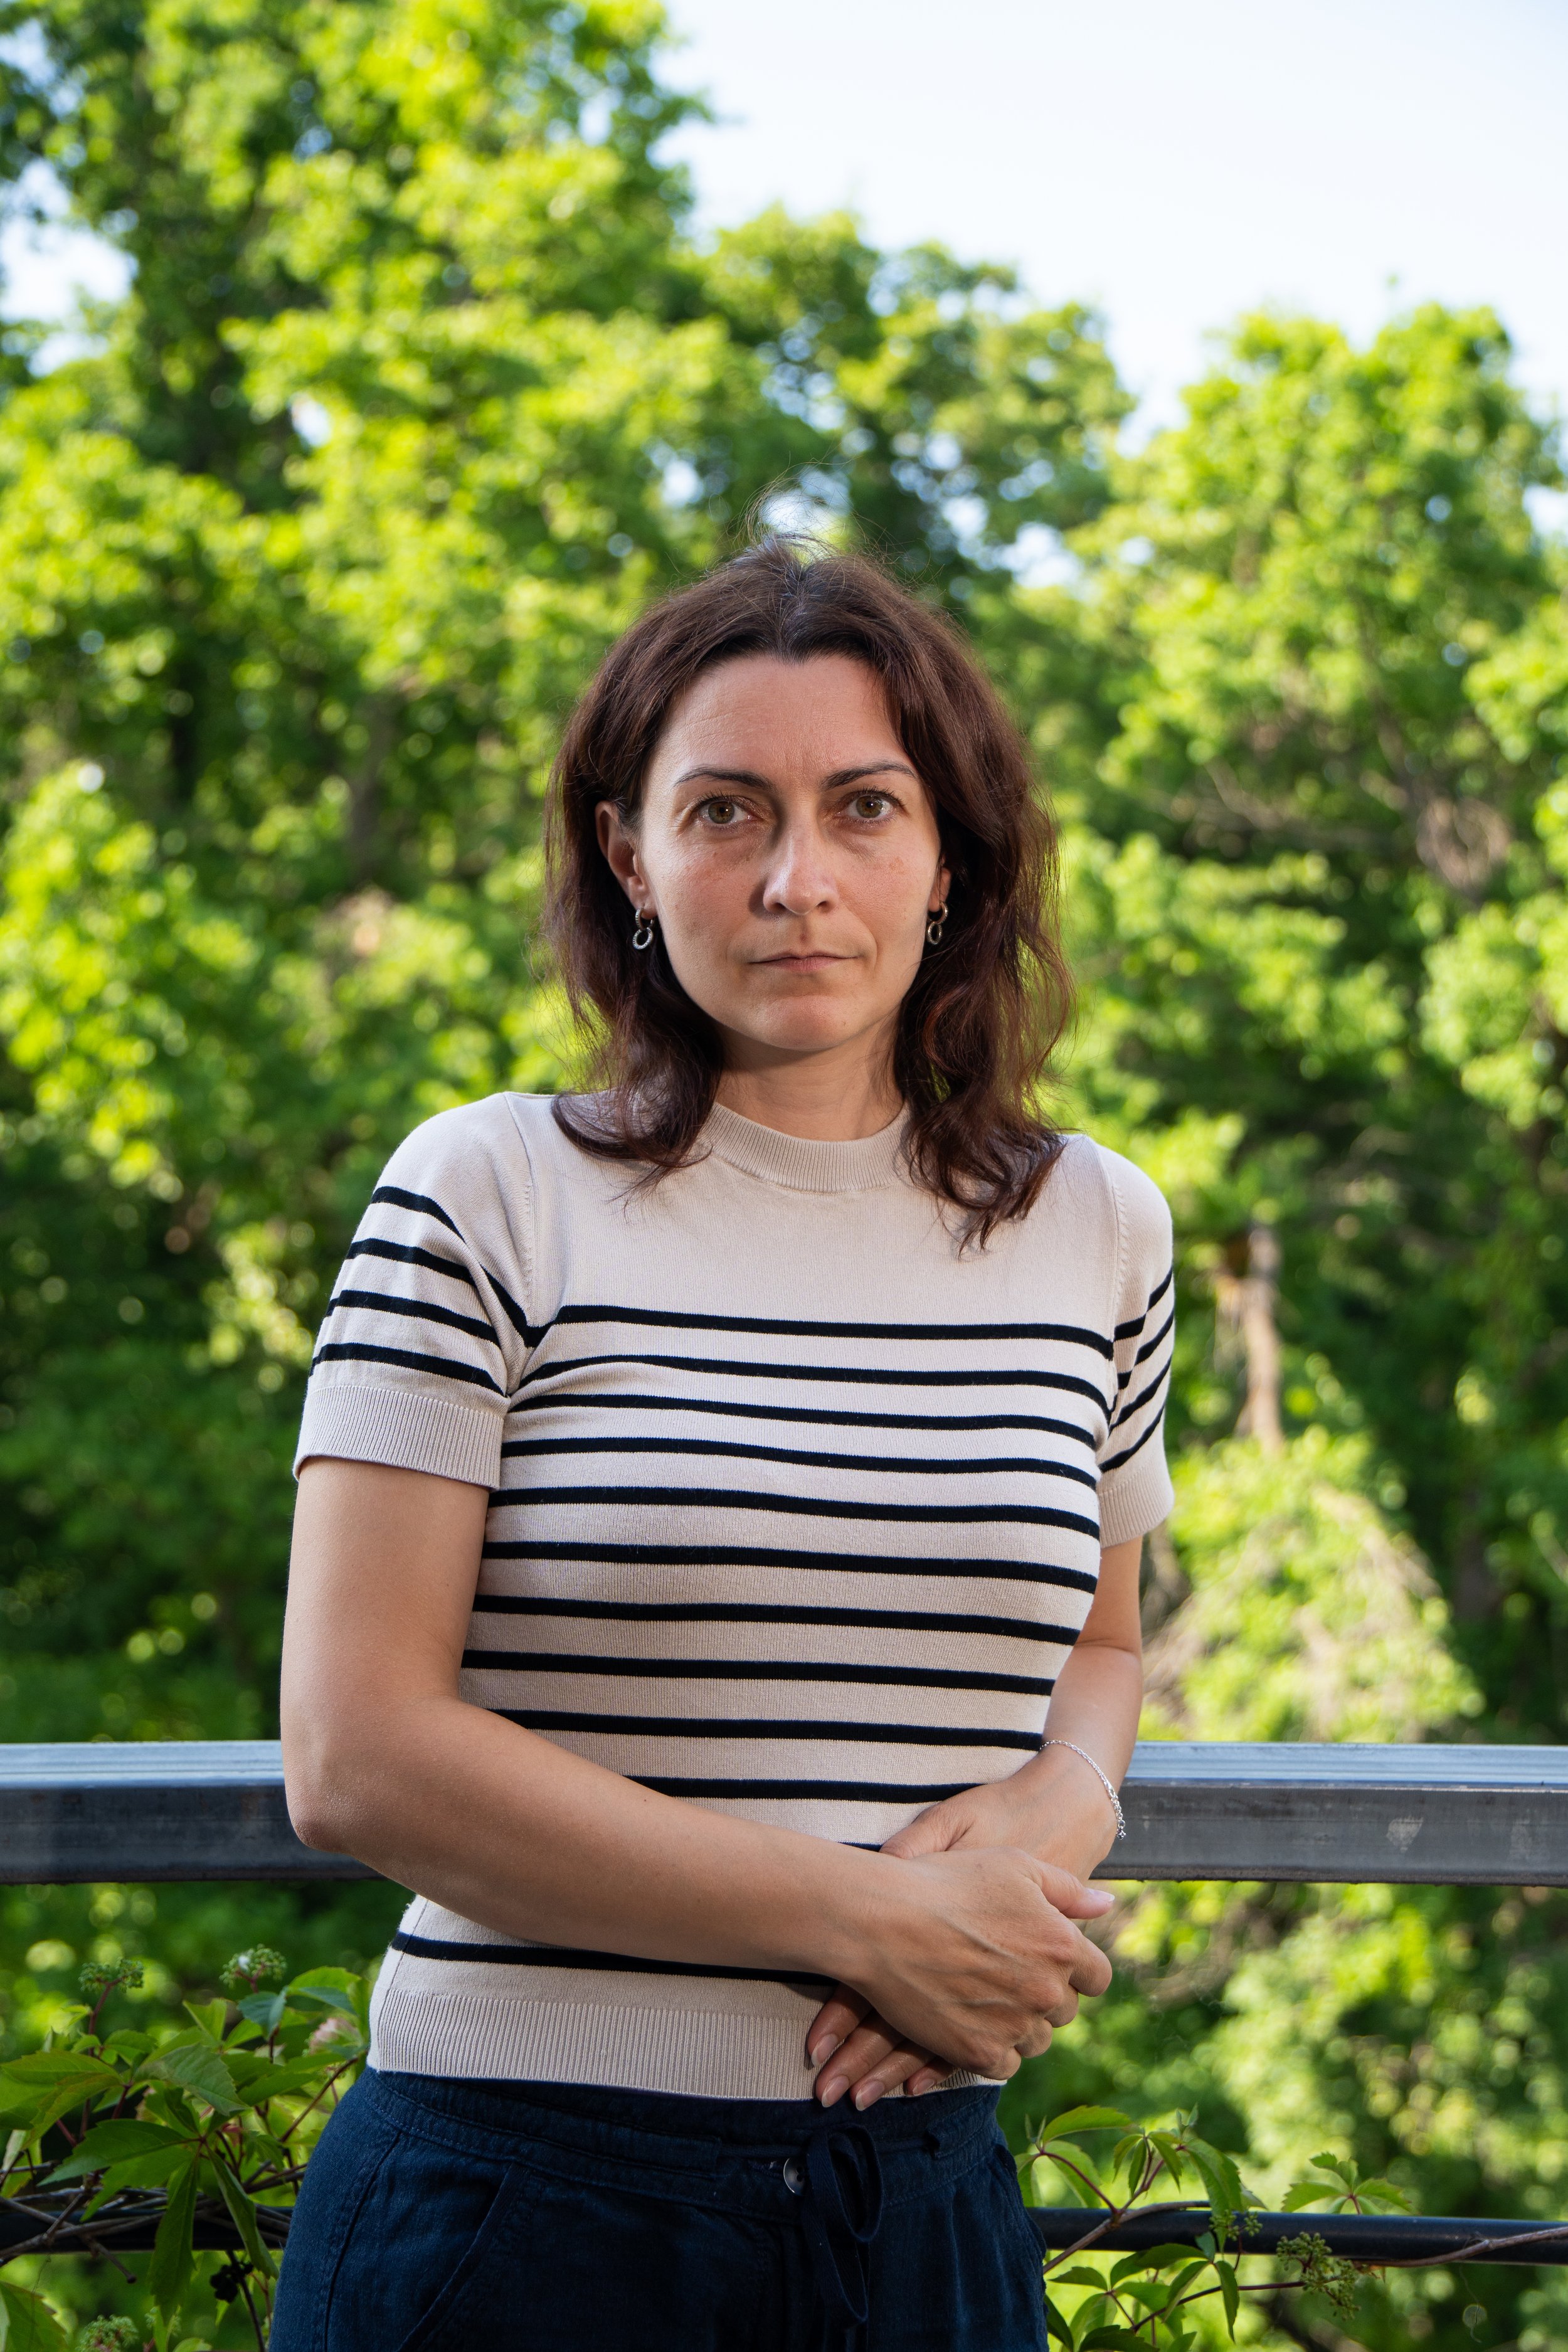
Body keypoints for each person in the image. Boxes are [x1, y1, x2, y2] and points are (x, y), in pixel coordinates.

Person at [272, 538, 1175, 2352]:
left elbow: (1104, 1642)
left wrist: (1059, 1807)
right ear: (630, 857)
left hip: (924, 2206)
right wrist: (868, 1923)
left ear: (951, 858)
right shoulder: (485, 1193)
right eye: (725, 812)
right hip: (519, 2207)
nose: (794, 880)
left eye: (863, 808)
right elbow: (354, 1754)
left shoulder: (1096, 1225)